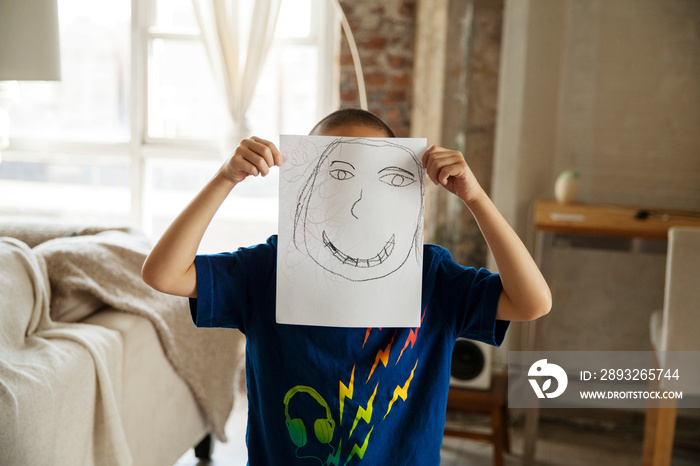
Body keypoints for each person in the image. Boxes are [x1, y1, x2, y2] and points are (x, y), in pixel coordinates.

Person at [142, 108, 551, 465]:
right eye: (336, 174)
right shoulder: (268, 269)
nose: (356, 202)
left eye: (384, 178)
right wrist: (225, 178)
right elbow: (163, 274)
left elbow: (532, 302)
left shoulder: (431, 277)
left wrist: (476, 197)